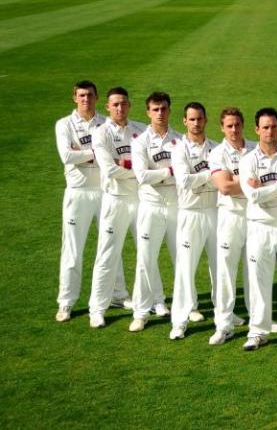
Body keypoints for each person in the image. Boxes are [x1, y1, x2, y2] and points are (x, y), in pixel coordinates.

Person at [54, 80, 114, 322]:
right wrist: (98, 153)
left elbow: (115, 154)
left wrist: (84, 154)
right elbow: (67, 156)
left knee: (110, 245)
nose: (85, 99)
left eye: (89, 95)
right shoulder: (64, 124)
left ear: (97, 97)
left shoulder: (106, 123)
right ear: (74, 98)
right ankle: (66, 302)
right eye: (81, 95)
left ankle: (118, 293)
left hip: (105, 190)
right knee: (72, 249)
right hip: (78, 191)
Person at [88, 87, 147, 328]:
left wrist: (124, 164)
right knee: (107, 255)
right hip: (114, 200)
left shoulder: (141, 130)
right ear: (108, 108)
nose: (120, 108)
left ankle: (151, 301)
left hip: (141, 201)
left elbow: (150, 163)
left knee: (146, 253)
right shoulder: (100, 133)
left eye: (123, 104)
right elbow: (109, 169)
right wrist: (139, 171)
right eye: (115, 105)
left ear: (129, 105)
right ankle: (97, 308)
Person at [239, 107, 277, 350]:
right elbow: (253, 196)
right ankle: (257, 331)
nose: (269, 131)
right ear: (257, 130)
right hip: (259, 227)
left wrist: (268, 188)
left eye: (273, 126)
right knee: (259, 281)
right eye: (265, 127)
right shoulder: (247, 160)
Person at [130, 92, 182, 328]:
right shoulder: (139, 142)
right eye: (155, 109)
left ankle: (186, 307)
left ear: (169, 110)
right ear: (148, 112)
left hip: (177, 205)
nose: (160, 113)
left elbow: (187, 173)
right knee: (145, 259)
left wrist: (160, 175)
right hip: (151, 206)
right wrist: (170, 173)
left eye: (163, 109)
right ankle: (141, 313)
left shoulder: (180, 140)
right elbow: (142, 176)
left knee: (182, 258)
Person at [168, 102, 219, 339]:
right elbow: (184, 181)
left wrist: (203, 178)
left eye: (199, 119)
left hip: (215, 212)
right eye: (192, 119)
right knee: (186, 268)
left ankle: (223, 313)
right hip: (190, 213)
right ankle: (179, 320)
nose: (196, 123)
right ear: (184, 122)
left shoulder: (217, 149)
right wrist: (212, 176)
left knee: (221, 267)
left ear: (205, 120)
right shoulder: (179, 149)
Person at [208, 108, 256, 344]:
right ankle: (224, 325)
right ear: (222, 128)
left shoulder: (256, 148)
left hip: (255, 216)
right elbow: (224, 187)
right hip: (230, 216)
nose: (234, 130)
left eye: (237, 124)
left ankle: (259, 322)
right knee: (226, 271)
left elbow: (268, 180)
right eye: (229, 126)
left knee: (255, 270)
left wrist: (236, 180)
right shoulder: (217, 153)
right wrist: (249, 181)